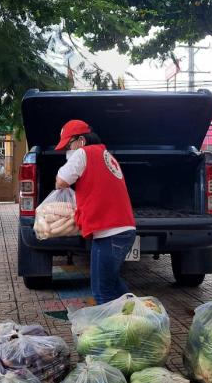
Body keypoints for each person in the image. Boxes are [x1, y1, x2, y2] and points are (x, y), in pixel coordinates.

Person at [54, 119, 136, 305]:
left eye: (69, 144)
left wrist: (67, 163)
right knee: (112, 284)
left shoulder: (83, 153)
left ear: (81, 140)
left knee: (102, 292)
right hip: (122, 230)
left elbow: (61, 181)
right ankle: (140, 316)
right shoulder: (104, 154)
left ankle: (112, 333)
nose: (68, 149)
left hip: (110, 233)